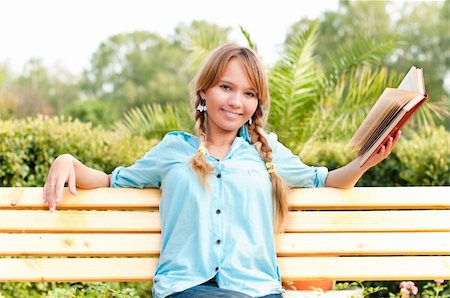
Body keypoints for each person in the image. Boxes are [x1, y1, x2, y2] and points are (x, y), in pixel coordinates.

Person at [43, 43, 400, 298]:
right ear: (204, 92)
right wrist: (67, 161)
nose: (236, 101)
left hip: (256, 289)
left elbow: (325, 180)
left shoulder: (266, 151)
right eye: (226, 88)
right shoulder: (173, 150)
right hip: (185, 288)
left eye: (248, 93)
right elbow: (112, 181)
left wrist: (366, 161)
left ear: (257, 102)